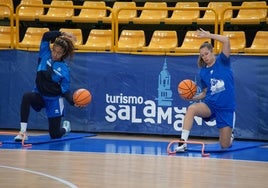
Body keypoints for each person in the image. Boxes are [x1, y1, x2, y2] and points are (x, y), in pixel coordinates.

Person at [175, 28, 236, 152]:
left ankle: (230, 136)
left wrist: (209, 35)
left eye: (206, 54)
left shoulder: (223, 61)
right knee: (191, 108)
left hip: (225, 108)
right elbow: (205, 92)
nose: (205, 57)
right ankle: (182, 142)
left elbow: (226, 40)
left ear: (212, 52)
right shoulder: (203, 72)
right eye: (202, 56)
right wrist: (192, 98)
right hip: (210, 104)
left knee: (224, 145)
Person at [14, 30, 80, 141]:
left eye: (59, 53)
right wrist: (62, 33)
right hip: (40, 95)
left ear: (63, 54)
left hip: (54, 100)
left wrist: (73, 102)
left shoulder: (64, 69)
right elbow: (46, 36)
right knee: (27, 96)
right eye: (54, 51)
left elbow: (65, 91)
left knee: (55, 135)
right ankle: (22, 132)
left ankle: (65, 128)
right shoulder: (44, 54)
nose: (55, 54)